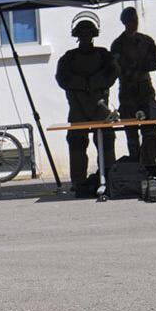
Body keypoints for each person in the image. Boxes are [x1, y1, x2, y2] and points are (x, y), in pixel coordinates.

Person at [56, 18, 119, 188]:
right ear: (77, 36)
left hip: (100, 108)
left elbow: (113, 73)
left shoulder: (104, 55)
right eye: (82, 34)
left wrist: (92, 83)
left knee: (106, 142)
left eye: (88, 34)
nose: (85, 37)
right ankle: (78, 182)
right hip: (77, 107)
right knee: (76, 143)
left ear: (93, 35)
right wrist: (84, 84)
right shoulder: (69, 58)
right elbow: (62, 79)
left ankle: (109, 177)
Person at [110, 6, 156, 162]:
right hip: (127, 91)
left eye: (135, 20)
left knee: (149, 131)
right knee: (131, 132)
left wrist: (141, 66)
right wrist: (128, 69)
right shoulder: (118, 44)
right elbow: (114, 67)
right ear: (124, 22)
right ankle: (134, 164)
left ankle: (150, 164)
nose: (134, 23)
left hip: (145, 90)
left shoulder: (146, 41)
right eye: (130, 20)